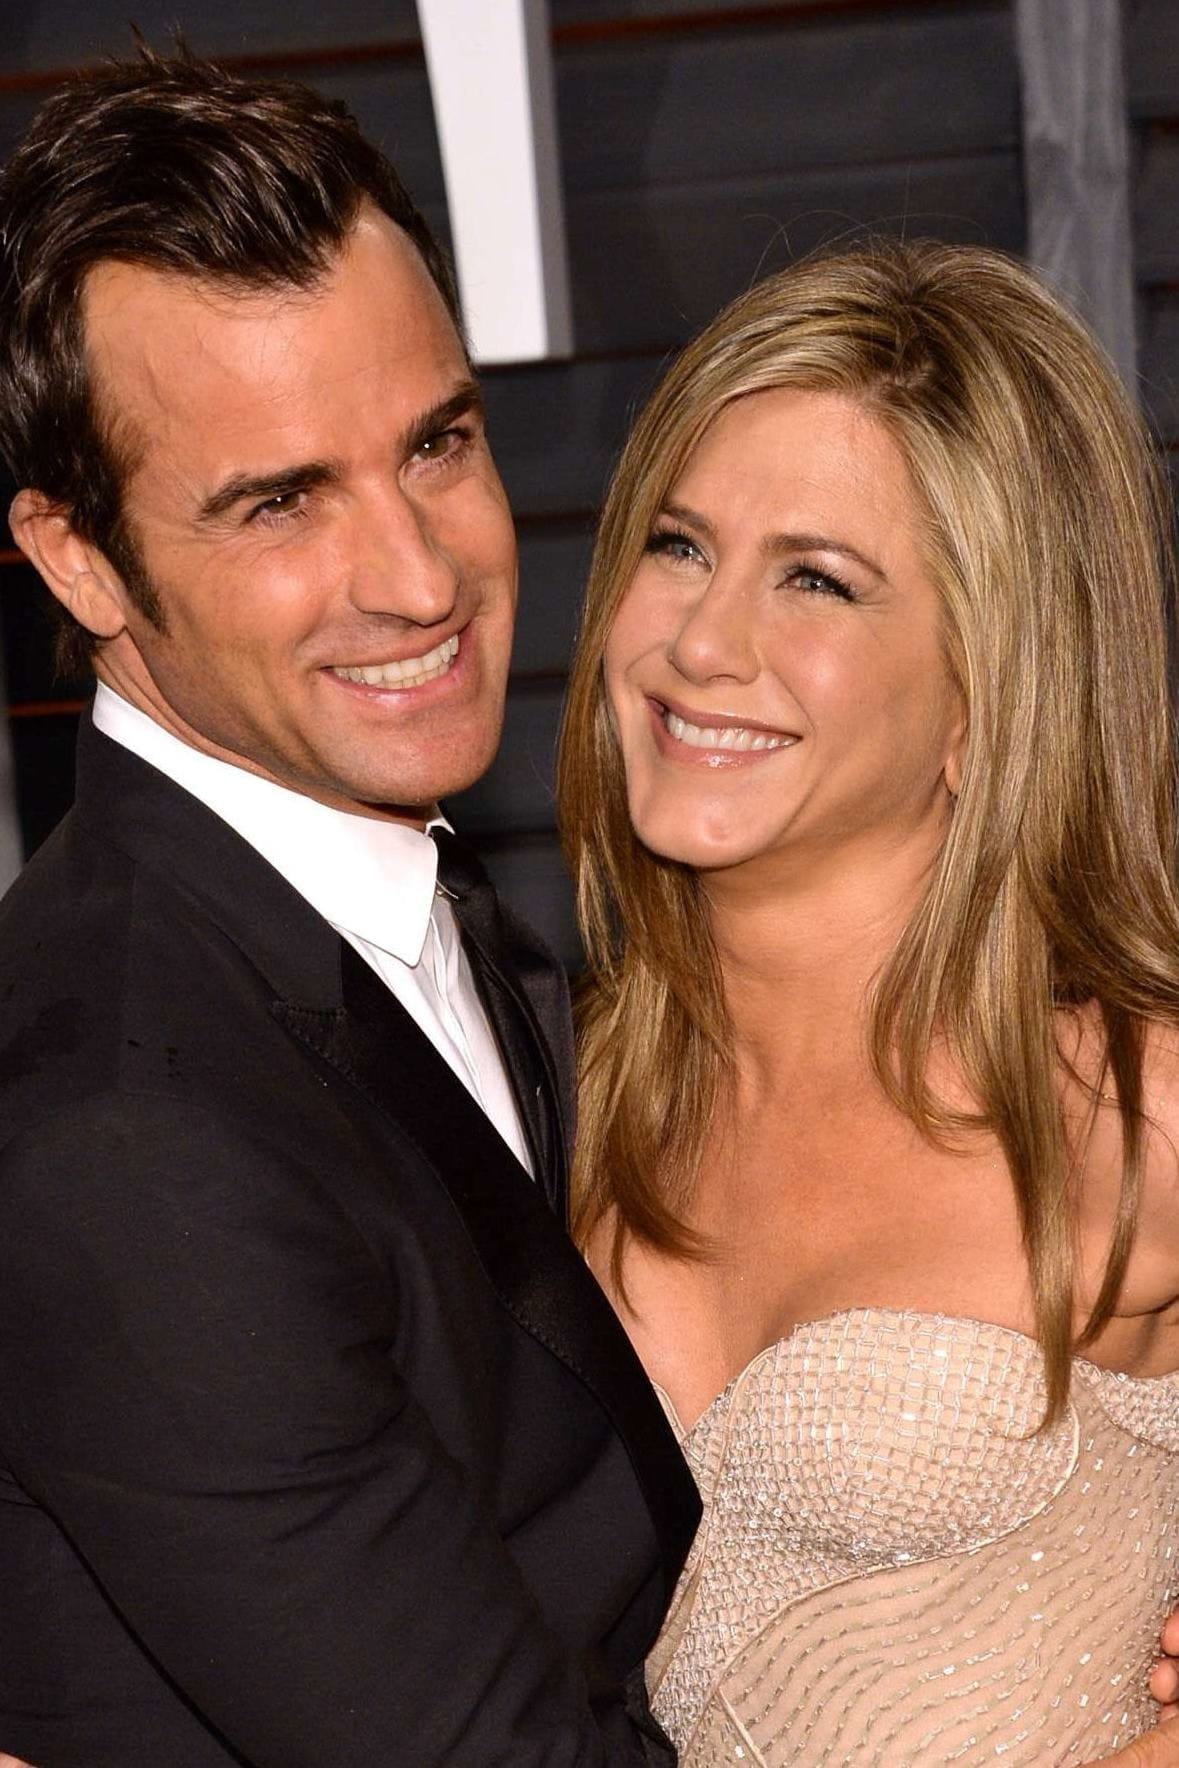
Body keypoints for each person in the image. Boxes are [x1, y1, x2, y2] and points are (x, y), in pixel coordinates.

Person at [0, 51, 699, 1768]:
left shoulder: (411, 907)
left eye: (436, 443)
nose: (421, 574)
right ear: (79, 560)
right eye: (283, 502)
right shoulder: (133, 1136)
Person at [558, 241, 1179, 1764]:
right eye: (680, 546)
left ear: (986, 689)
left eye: (817, 581)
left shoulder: (1134, 1101)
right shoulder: (543, 1103)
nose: (702, 644)